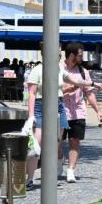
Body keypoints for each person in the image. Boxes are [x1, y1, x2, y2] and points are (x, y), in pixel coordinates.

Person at [25, 50, 78, 189]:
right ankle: (29, 178)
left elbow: (74, 80)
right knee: (36, 145)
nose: (59, 57)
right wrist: (31, 115)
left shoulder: (59, 69)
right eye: (57, 55)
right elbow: (32, 93)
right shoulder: (37, 70)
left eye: (60, 55)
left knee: (55, 144)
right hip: (40, 105)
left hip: (58, 105)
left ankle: (50, 177)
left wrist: (90, 84)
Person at [59, 42, 102, 182]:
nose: (82, 58)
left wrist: (98, 111)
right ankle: (59, 158)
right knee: (57, 141)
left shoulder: (83, 72)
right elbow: (52, 90)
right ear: (71, 55)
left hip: (78, 112)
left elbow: (89, 93)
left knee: (75, 141)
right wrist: (69, 89)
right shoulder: (58, 68)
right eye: (79, 55)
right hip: (60, 110)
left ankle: (71, 170)